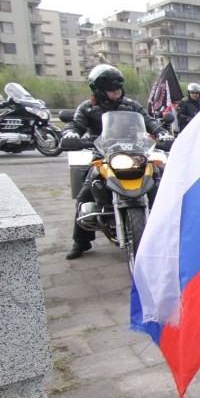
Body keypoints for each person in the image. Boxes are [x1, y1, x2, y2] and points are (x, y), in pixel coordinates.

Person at [62, 64, 171, 260]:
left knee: (159, 178)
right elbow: (75, 125)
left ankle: (166, 231)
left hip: (135, 153)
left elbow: (149, 122)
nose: (116, 92)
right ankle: (81, 241)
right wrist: (70, 134)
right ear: (99, 90)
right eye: (111, 90)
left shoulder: (131, 105)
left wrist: (162, 133)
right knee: (86, 192)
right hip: (103, 155)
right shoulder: (88, 108)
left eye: (118, 89)